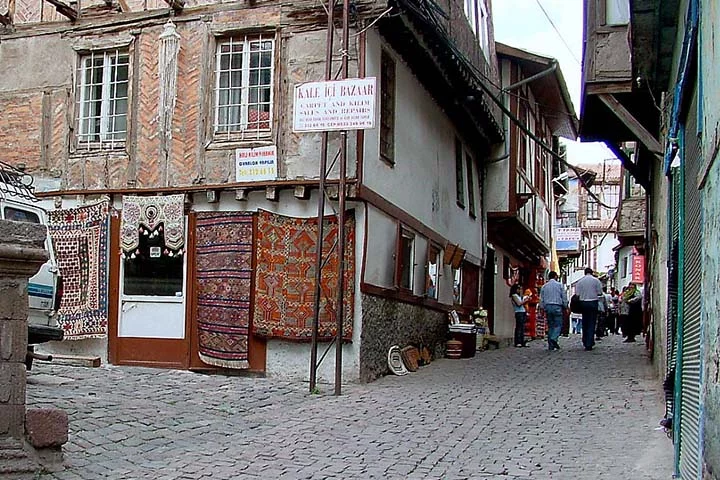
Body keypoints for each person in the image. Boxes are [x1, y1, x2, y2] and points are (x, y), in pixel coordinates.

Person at [574, 267, 603, 351]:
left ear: (585, 273)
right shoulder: (596, 281)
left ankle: (585, 340)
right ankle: (589, 342)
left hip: (583, 303)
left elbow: (577, 294)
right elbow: (600, 292)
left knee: (585, 322)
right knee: (592, 323)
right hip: (593, 302)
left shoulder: (580, 281)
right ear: (592, 273)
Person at [539, 271, 568, 351]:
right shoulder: (559, 285)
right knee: (558, 324)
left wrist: (542, 308)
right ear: (555, 276)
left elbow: (541, 298)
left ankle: (551, 345)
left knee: (550, 325)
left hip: (547, 306)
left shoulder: (544, 286)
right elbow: (564, 296)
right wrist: (565, 306)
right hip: (557, 306)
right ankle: (554, 338)